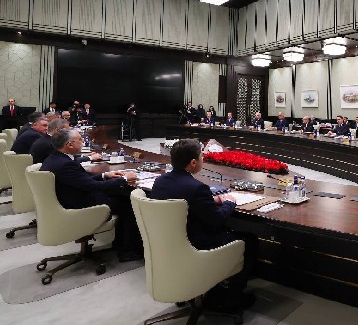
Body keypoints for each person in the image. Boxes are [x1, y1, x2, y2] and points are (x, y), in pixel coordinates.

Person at [151, 139, 257, 312]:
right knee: (249, 240)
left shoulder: (160, 182)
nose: (203, 159)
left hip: (168, 244)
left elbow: (186, 202)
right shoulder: (197, 188)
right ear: (193, 162)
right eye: (201, 156)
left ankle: (213, 288)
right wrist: (229, 203)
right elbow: (216, 220)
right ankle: (231, 298)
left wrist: (209, 201)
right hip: (196, 245)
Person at [40, 129, 143, 262]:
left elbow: (81, 181)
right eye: (80, 140)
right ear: (69, 144)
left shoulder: (55, 158)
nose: (83, 142)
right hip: (78, 205)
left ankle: (121, 244)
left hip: (68, 198)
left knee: (120, 194)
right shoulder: (66, 164)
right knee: (129, 202)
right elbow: (94, 187)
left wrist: (104, 175)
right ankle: (127, 251)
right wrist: (124, 179)